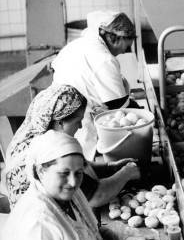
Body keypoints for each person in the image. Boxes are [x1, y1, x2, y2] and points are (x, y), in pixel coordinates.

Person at [4, 83, 140, 208]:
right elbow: (96, 196)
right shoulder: (48, 151)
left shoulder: (31, 134)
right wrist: (126, 173)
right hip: (43, 223)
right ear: (59, 123)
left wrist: (110, 167)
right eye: (77, 121)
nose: (80, 126)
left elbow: (80, 167)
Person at [52, 11, 139, 159]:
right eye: (126, 47)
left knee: (65, 154)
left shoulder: (79, 44)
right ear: (116, 38)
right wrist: (139, 111)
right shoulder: (105, 59)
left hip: (59, 111)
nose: (123, 52)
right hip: (79, 119)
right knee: (80, 160)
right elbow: (117, 106)